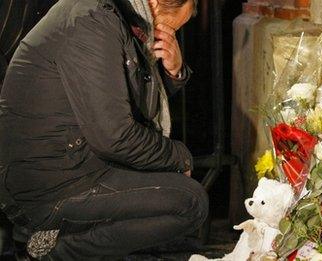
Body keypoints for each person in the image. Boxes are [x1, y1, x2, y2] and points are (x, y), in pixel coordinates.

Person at [0, 0, 208, 259]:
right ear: (154, 4)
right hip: (48, 184)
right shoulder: (94, 18)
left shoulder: (112, 16)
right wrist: (179, 157)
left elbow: (133, 107)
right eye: (169, 29)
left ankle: (64, 239)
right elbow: (116, 137)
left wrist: (173, 71)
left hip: (73, 164)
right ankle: (57, 251)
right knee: (189, 201)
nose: (168, 37)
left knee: (183, 194)